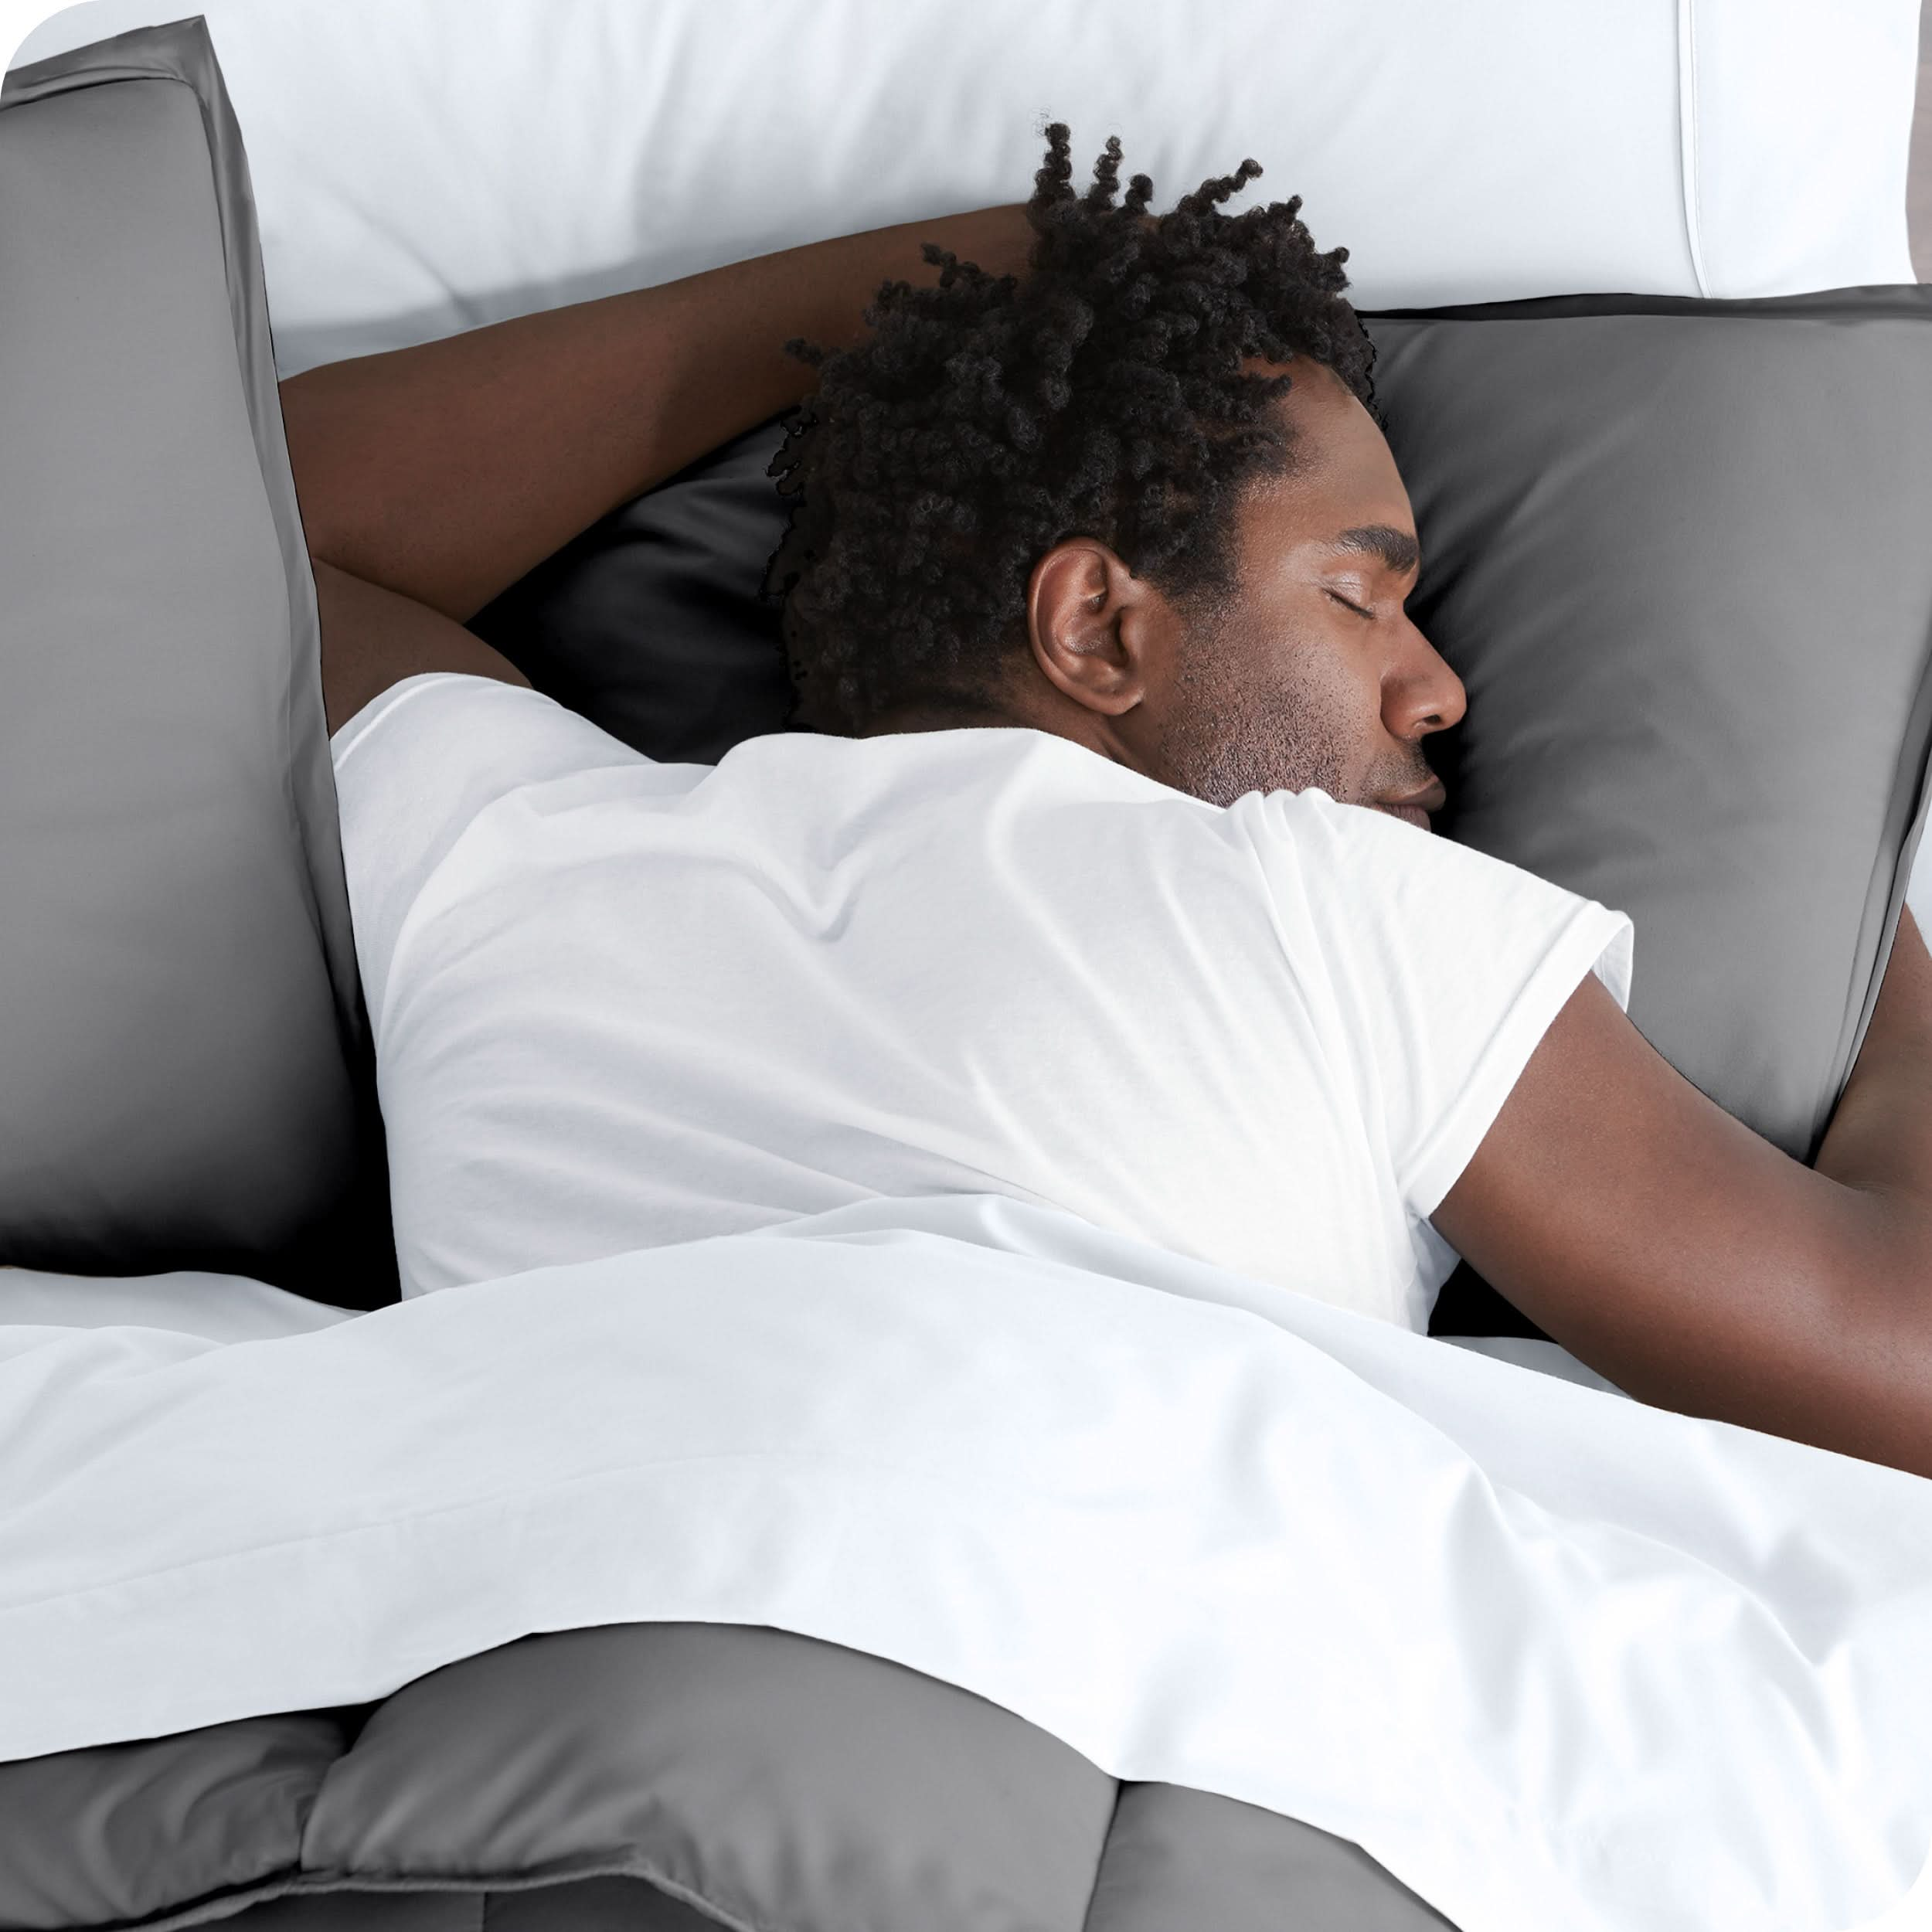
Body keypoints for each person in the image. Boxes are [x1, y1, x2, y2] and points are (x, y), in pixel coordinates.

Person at [281, 128, 1932, 1479]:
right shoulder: (1327, 908)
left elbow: (228, 532)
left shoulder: (505, 850)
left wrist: (928, 279)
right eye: (1360, 597)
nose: (1436, 691)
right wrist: (1861, 923)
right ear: (1095, 623)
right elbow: (1902, 1357)